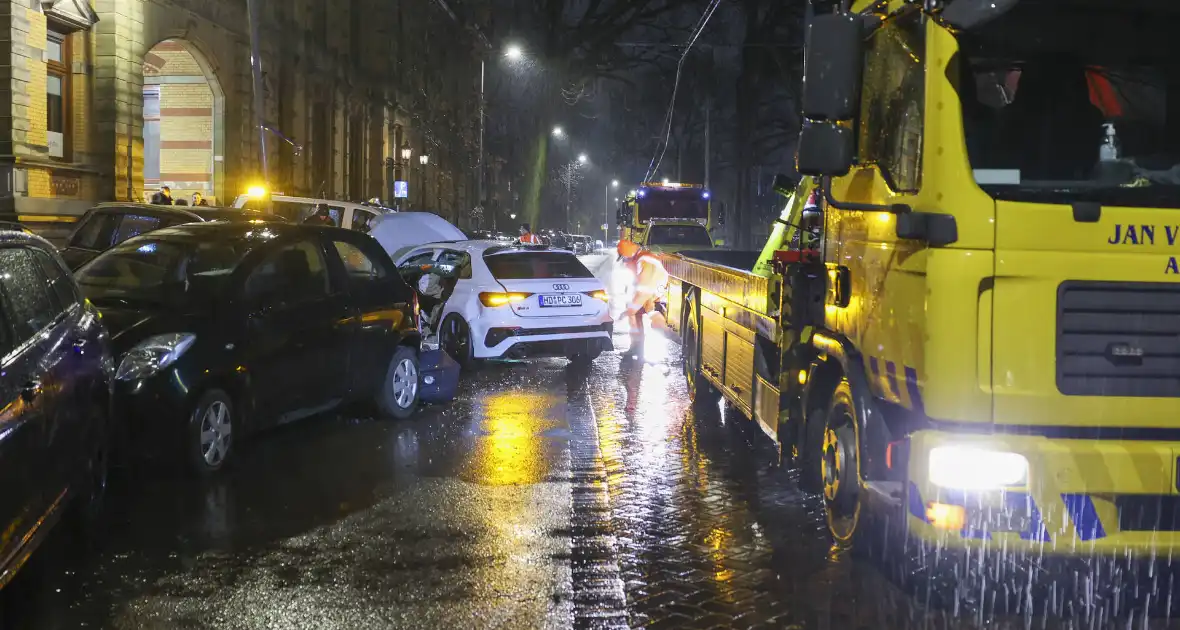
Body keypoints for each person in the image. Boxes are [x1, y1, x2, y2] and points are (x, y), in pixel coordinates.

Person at [617, 239, 668, 356]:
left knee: (656, 323)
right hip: (652, 297)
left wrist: (629, 310)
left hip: (657, 299)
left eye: (624, 259)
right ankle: (636, 348)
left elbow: (645, 290)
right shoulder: (642, 258)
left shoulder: (644, 260)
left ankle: (680, 342)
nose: (625, 263)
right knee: (635, 315)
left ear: (629, 255)